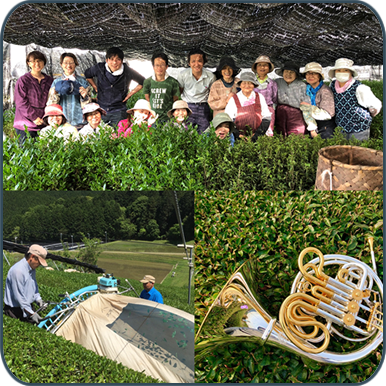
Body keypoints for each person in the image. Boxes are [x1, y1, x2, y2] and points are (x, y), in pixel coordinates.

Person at [84, 47, 145, 126]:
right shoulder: (100, 68)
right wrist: (95, 87)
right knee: (101, 134)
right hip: (102, 109)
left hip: (119, 109)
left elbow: (143, 81)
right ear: (107, 60)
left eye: (118, 59)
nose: (114, 62)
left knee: (119, 134)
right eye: (111, 59)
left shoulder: (127, 71)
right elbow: (87, 74)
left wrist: (131, 93)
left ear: (122, 61)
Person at [329, 58, 382, 141]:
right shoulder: (332, 85)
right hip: (341, 126)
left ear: (351, 73)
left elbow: (376, 105)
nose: (342, 73)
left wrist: (368, 115)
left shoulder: (360, 88)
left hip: (359, 127)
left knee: (357, 151)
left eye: (345, 70)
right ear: (335, 73)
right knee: (342, 152)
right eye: (339, 70)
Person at [13, 51, 54, 145]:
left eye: (39, 60)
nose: (37, 64)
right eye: (33, 61)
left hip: (43, 123)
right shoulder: (23, 80)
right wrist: (34, 117)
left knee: (44, 153)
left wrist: (47, 117)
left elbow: (53, 99)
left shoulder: (50, 81)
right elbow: (21, 102)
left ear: (44, 62)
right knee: (27, 153)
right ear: (28, 63)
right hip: (25, 124)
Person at [4, 244, 48, 324]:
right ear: (32, 257)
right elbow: (19, 297)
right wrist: (32, 314)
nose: (40, 264)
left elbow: (33, 286)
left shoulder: (31, 269)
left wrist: (38, 299)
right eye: (39, 261)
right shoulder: (18, 271)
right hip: (15, 311)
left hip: (27, 307)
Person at [47, 53, 92, 128]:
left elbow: (88, 106)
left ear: (75, 64)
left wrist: (84, 97)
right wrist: (54, 94)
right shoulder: (56, 82)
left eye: (71, 63)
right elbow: (51, 105)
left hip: (80, 122)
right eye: (65, 63)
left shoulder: (83, 82)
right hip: (62, 123)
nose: (68, 66)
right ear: (61, 64)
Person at [177, 48, 216, 134]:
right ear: (189, 63)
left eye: (199, 61)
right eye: (193, 61)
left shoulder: (210, 76)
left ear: (204, 62)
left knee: (204, 133)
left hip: (203, 107)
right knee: (186, 133)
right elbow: (179, 91)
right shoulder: (183, 75)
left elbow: (212, 93)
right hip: (187, 107)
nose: (196, 64)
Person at [225, 72, 271, 141]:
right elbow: (228, 118)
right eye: (244, 83)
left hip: (257, 135)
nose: (247, 85)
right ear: (240, 85)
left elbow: (267, 117)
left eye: (250, 83)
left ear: (254, 85)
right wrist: (238, 135)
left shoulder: (259, 97)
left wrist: (257, 135)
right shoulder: (234, 99)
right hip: (238, 136)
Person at [274, 61, 316, 137]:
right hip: (281, 115)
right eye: (286, 71)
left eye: (291, 72)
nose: (288, 74)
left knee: (297, 137)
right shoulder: (277, 82)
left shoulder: (302, 85)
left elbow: (306, 105)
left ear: (296, 75)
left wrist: (312, 126)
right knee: (281, 136)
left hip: (296, 115)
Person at [299, 62, 336, 139]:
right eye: (308, 73)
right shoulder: (305, 89)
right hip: (311, 123)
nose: (310, 76)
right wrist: (312, 128)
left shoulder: (325, 91)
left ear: (319, 76)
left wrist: (310, 108)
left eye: (314, 73)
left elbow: (329, 114)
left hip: (325, 125)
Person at [143, 52, 180, 123]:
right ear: (153, 67)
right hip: (153, 118)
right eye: (157, 65)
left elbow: (175, 100)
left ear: (166, 66)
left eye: (162, 65)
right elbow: (148, 98)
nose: (159, 68)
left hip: (168, 118)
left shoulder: (173, 82)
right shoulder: (148, 81)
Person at [251, 55, 278, 136]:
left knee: (268, 132)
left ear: (269, 68)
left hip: (268, 110)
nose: (262, 67)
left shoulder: (272, 83)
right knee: (253, 131)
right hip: (253, 109)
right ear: (256, 67)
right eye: (259, 65)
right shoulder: (250, 82)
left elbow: (275, 99)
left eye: (265, 65)